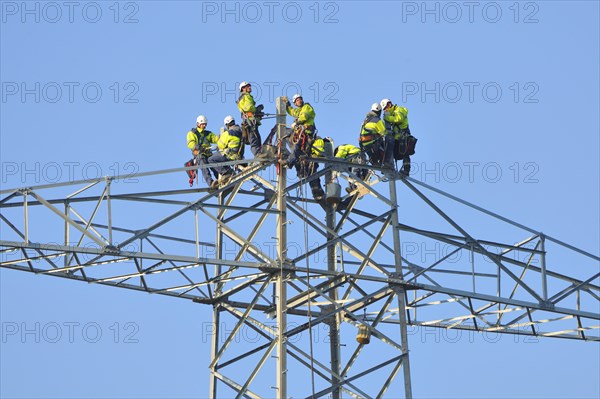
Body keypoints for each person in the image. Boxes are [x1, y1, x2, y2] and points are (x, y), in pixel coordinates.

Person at [380, 98, 417, 176]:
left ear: (389, 104)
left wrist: (387, 118)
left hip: (404, 136)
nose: (385, 110)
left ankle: (406, 170)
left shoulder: (400, 110)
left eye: (386, 108)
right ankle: (388, 167)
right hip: (396, 138)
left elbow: (398, 119)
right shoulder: (391, 114)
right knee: (392, 152)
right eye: (384, 109)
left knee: (405, 153)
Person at [208, 115, 243, 189]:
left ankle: (227, 173)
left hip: (229, 155)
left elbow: (220, 145)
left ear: (227, 124)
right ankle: (228, 172)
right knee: (219, 157)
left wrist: (221, 137)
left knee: (211, 159)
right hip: (238, 155)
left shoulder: (228, 133)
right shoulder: (240, 131)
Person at [185, 115, 219, 187]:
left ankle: (220, 180)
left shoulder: (207, 134)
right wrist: (198, 147)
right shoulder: (192, 133)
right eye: (202, 124)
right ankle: (211, 183)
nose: (204, 126)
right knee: (205, 169)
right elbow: (190, 143)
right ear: (198, 124)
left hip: (208, 154)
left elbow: (216, 139)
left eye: (205, 124)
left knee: (215, 167)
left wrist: (223, 137)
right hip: (199, 155)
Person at [285, 94, 317, 170]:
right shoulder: (299, 110)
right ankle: (292, 158)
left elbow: (304, 116)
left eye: (300, 99)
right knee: (285, 133)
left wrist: (297, 122)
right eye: (297, 100)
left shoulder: (306, 107)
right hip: (299, 133)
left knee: (297, 147)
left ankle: (289, 162)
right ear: (295, 103)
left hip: (306, 132)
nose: (299, 100)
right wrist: (287, 105)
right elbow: (292, 112)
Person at [359, 103, 394, 169]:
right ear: (379, 111)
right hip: (372, 145)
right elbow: (384, 132)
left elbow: (361, 134)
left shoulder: (365, 120)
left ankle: (375, 161)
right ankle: (386, 162)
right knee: (390, 140)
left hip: (364, 146)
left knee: (379, 141)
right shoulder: (377, 120)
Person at [237, 81, 264, 157]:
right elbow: (248, 107)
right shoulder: (246, 96)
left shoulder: (244, 96)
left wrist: (257, 113)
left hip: (251, 119)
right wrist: (256, 109)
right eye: (247, 86)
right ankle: (257, 153)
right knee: (254, 137)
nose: (249, 87)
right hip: (249, 120)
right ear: (243, 89)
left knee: (257, 137)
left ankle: (260, 153)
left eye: (249, 86)